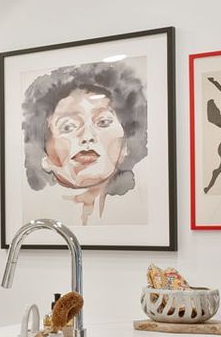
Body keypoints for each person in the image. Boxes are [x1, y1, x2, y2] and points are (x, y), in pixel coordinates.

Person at [21, 61, 149, 223]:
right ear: (44, 152)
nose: (87, 136)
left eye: (103, 122)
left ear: (125, 146)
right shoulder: (35, 213)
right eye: (68, 126)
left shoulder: (139, 209)